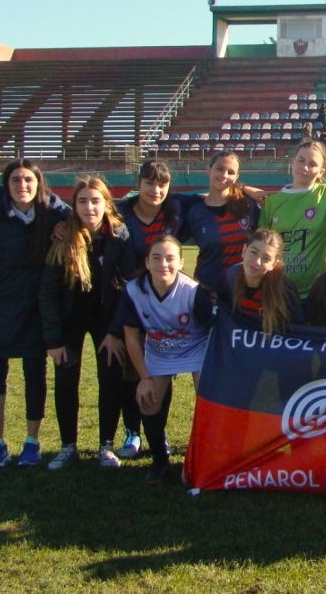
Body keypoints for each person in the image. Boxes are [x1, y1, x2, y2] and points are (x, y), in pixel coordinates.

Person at [0, 160, 71, 469]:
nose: (22, 186)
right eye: (15, 180)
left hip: (37, 311)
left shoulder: (52, 212)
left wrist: (65, 225)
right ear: (6, 185)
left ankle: (31, 442)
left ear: (38, 184)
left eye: (28, 180)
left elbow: (82, 218)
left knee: (35, 373)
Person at [40, 176, 137, 471]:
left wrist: (114, 332)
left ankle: (105, 445)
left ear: (106, 203)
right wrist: (54, 340)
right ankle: (68, 446)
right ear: (75, 205)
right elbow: (49, 293)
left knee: (110, 380)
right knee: (67, 380)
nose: (89, 206)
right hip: (70, 320)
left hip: (107, 321)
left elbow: (128, 286)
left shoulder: (120, 236)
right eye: (82, 200)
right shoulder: (62, 236)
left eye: (95, 200)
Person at [113, 160, 205, 461]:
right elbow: (86, 209)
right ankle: (135, 433)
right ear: (138, 183)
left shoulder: (176, 206)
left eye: (162, 184)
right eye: (149, 183)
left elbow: (214, 194)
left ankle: (192, 443)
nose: (156, 190)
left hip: (172, 298)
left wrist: (249, 190)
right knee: (137, 376)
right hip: (134, 296)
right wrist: (63, 223)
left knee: (189, 382)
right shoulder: (120, 211)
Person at [119, 236, 213, 484]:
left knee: (208, 399)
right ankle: (160, 461)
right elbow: (131, 337)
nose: (164, 264)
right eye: (157, 258)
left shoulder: (193, 291)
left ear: (181, 262)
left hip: (196, 348)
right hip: (160, 352)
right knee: (148, 401)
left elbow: (214, 331)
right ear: (147, 262)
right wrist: (144, 378)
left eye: (170, 258)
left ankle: (204, 457)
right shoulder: (134, 291)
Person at [258, 141, 326, 301]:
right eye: (301, 160)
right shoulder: (271, 201)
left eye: (312, 164)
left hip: (316, 294)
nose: (304, 167)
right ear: (292, 162)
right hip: (277, 292)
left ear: (321, 172)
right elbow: (261, 245)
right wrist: (243, 189)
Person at [185, 151, 260, 295]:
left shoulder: (247, 205)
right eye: (219, 169)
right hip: (208, 291)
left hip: (243, 290)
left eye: (231, 172)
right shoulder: (195, 211)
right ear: (209, 169)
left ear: (237, 177)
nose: (224, 175)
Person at [221, 229, 304, 332]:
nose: (257, 261)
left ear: (274, 265)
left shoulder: (284, 286)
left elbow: (299, 329)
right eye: (253, 252)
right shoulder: (233, 275)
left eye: (266, 258)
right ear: (244, 251)